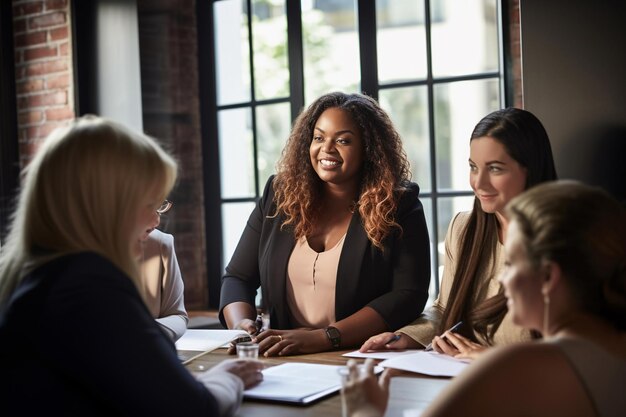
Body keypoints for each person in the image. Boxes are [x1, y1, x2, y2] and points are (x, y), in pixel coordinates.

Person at [0, 116, 263, 416]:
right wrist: (228, 377)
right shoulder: (89, 288)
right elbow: (191, 409)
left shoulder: (27, 275)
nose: (156, 220)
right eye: (147, 203)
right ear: (104, 205)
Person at [344, 180, 626, 417]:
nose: (502, 279)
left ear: (548, 278)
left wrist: (365, 409)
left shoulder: (517, 366)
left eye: (512, 263)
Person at [219, 92, 431, 356]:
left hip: (360, 356)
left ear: (369, 149)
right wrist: (242, 328)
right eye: (319, 138)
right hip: (279, 355)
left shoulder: (398, 204)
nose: (327, 149)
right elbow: (238, 277)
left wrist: (325, 338)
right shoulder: (279, 194)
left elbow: (408, 295)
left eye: (343, 140)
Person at [360, 107, 557, 358]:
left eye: (495, 169)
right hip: (464, 376)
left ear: (531, 168)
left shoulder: (564, 239)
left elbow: (580, 349)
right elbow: (445, 309)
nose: (479, 182)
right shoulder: (463, 229)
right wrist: (406, 336)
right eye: (473, 167)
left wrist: (490, 359)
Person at [140, 222, 188, 341]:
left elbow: (178, 316)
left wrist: (142, 333)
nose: (157, 220)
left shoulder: (160, 242)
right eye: (149, 206)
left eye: (158, 208)